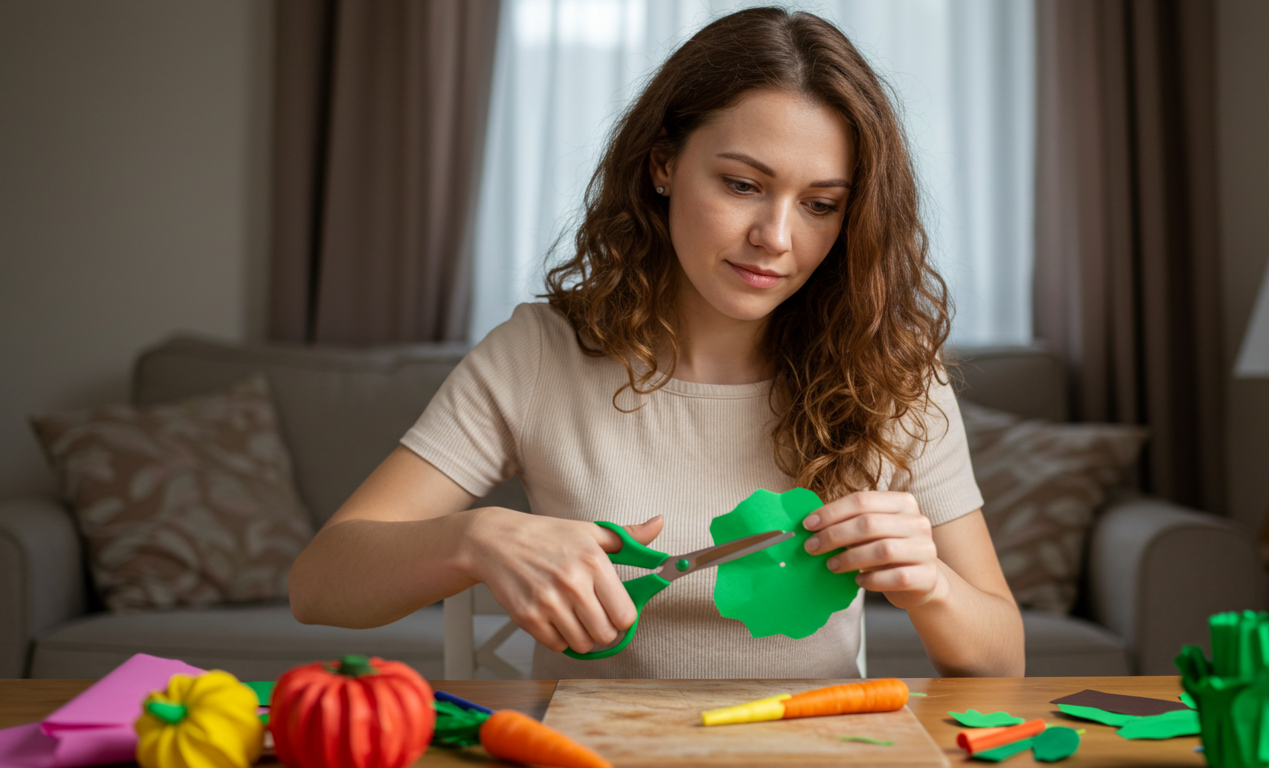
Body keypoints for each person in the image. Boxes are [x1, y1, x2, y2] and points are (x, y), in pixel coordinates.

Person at [288, 6, 1024, 680]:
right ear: (663, 164)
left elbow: (1003, 664)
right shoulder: (539, 355)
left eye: (821, 205)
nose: (775, 238)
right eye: (742, 185)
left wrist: (929, 583)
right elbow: (319, 585)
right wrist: (477, 539)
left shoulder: (891, 372)